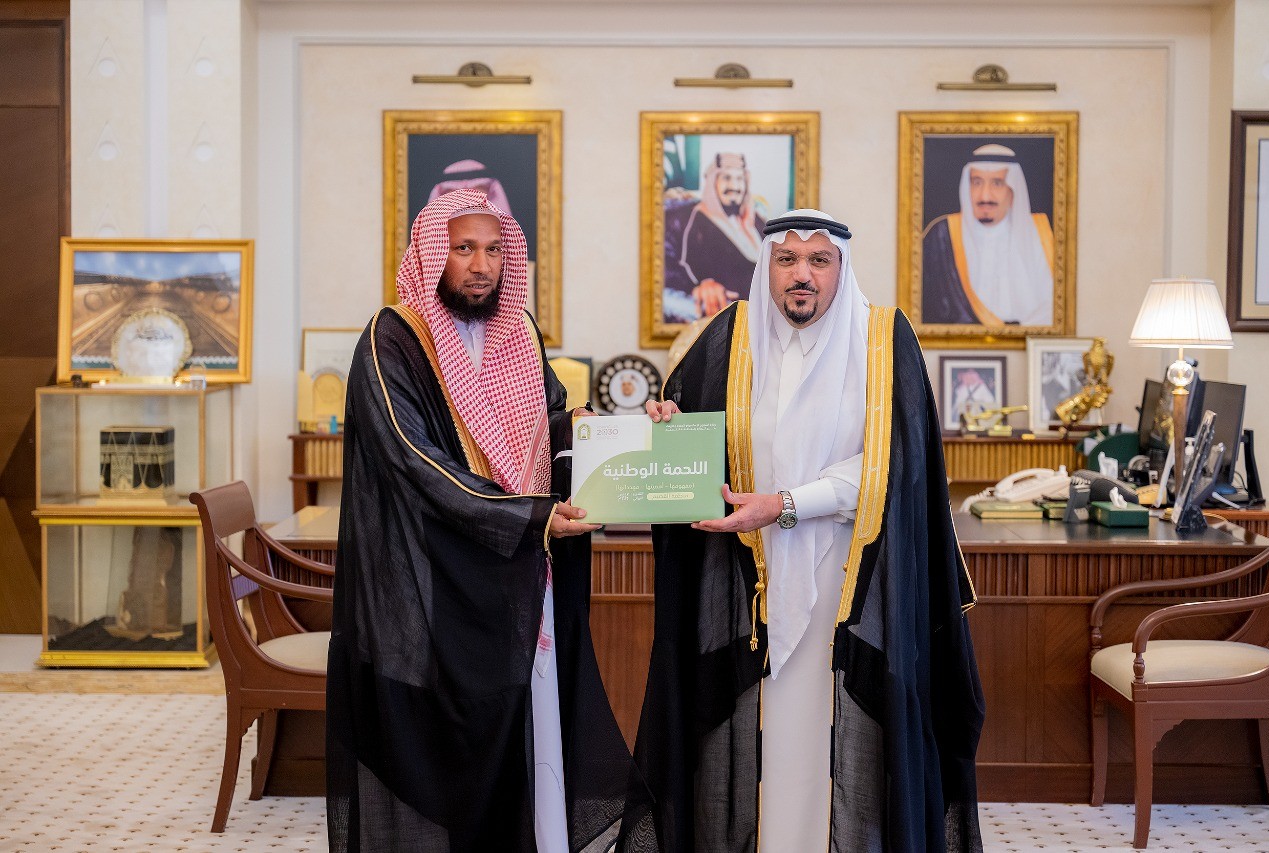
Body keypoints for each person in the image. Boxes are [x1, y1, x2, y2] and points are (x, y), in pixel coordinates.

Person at [620, 209, 985, 852]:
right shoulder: (728, 337)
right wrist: (668, 422)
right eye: (787, 259)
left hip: (851, 583)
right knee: (763, 733)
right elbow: (694, 442)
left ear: (842, 267)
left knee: (834, 734)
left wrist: (784, 504)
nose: (802, 275)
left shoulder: (882, 340)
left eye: (819, 260)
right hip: (749, 581)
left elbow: (890, 468)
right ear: (767, 266)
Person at [327, 188, 643, 852]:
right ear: (432, 254)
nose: (481, 265)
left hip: (521, 565)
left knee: (532, 723)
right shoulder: (394, 338)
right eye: (463, 248)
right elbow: (412, 458)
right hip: (438, 575)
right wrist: (528, 516)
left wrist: (599, 431)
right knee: (457, 746)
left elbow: (545, 420)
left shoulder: (517, 329)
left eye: (495, 249)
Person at [922, 143, 1054, 327]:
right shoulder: (942, 235)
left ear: (1012, 190)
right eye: (977, 182)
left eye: (997, 183)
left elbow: (1054, 309)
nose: (985, 196)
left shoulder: (1041, 235)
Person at [664, 152, 766, 322]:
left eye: (739, 179)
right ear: (713, 183)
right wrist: (704, 284)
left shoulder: (756, 219)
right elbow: (687, 264)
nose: (734, 186)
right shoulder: (699, 219)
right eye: (726, 178)